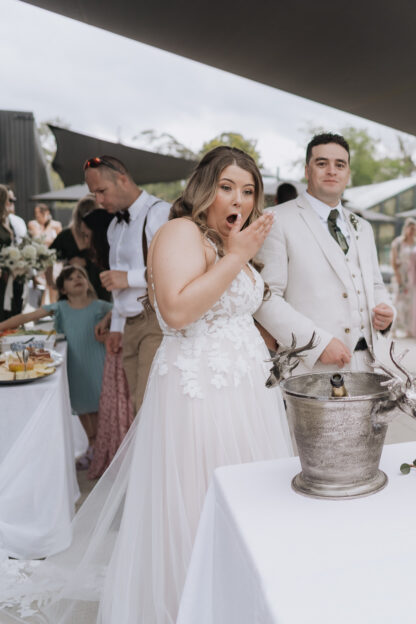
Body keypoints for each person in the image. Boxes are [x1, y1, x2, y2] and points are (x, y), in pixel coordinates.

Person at [0, 146, 294, 622]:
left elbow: (247, 307)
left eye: (248, 190)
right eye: (226, 187)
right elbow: (177, 312)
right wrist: (238, 257)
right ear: (204, 189)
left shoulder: (229, 241)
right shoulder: (182, 232)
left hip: (247, 395)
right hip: (202, 394)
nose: (238, 199)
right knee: (202, 509)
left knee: (253, 508)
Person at [255, 132, 394, 372]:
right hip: (312, 368)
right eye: (322, 163)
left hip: (371, 365)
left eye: (340, 164)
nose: (332, 170)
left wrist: (386, 311)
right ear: (307, 171)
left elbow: (375, 284)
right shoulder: (276, 220)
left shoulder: (364, 227)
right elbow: (266, 298)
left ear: (348, 173)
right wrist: (317, 343)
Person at [0, 265, 110, 467]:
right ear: (63, 289)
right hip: (75, 367)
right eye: (70, 278)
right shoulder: (60, 307)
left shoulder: (101, 306)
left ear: (88, 283)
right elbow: (26, 318)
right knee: (83, 408)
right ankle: (92, 446)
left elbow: (119, 313)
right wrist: (2, 326)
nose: (77, 278)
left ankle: (103, 450)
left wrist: (106, 321)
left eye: (81, 276)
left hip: (97, 363)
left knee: (99, 406)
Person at [85, 155, 171, 412]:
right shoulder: (114, 226)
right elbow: (117, 286)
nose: (99, 200)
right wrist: (118, 326)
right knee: (136, 405)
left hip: (157, 321)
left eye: (102, 191)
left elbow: (176, 269)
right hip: (130, 325)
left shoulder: (159, 213)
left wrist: (129, 277)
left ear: (122, 180)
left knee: (149, 405)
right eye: (94, 194)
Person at [49, 195, 110, 301]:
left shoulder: (104, 235)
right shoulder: (66, 236)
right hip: (73, 288)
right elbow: (47, 257)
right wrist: (51, 282)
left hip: (99, 285)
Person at [1, 185, 27, 320]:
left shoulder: (14, 222)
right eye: (7, 200)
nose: (9, 204)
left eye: (11, 200)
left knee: (13, 312)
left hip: (12, 276)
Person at [390, 217, 416, 338]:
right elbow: (393, 261)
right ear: (406, 228)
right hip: (400, 275)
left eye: (414, 229)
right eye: (410, 228)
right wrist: (398, 277)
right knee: (397, 302)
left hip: (413, 276)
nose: (412, 231)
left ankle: (409, 329)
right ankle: (393, 329)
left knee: (411, 303)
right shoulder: (397, 243)